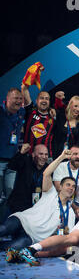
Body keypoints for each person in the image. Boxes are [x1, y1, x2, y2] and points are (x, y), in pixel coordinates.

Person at [2, 148, 76, 254]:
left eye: (73, 186)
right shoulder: (50, 193)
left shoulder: (70, 213)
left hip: (33, 237)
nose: (71, 188)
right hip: (23, 220)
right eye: (68, 185)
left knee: (10, 247)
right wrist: (62, 157)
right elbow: (46, 173)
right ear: (60, 186)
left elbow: (68, 237)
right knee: (4, 229)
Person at [0, 88, 26, 219]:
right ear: (7, 98)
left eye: (20, 99)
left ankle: (3, 226)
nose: (19, 101)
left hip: (12, 162)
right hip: (0, 161)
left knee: (8, 194)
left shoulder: (21, 112)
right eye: (16, 98)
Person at [6, 144, 49, 214]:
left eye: (46, 154)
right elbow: (12, 166)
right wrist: (21, 153)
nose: (44, 157)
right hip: (18, 207)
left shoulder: (48, 168)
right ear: (33, 155)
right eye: (41, 154)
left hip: (36, 209)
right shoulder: (26, 162)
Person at [21, 86, 56, 158]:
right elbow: (24, 90)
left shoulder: (53, 117)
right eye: (42, 98)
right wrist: (27, 82)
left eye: (47, 99)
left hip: (46, 158)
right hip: (28, 156)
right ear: (36, 100)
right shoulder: (31, 112)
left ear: (49, 102)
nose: (44, 100)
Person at [52, 95, 79, 159]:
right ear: (70, 106)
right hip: (56, 155)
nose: (77, 109)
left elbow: (78, 143)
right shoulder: (61, 117)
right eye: (75, 106)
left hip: (71, 157)